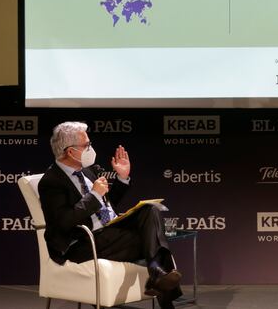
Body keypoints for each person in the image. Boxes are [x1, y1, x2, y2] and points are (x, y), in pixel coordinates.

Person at [39, 121, 182, 309]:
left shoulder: (88, 170)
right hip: (82, 242)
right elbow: (64, 221)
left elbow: (107, 203)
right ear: (71, 152)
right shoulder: (51, 182)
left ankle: (157, 274)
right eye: (86, 145)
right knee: (152, 239)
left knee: (150, 209)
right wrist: (94, 195)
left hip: (109, 230)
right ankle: (158, 277)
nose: (91, 149)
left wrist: (122, 177)